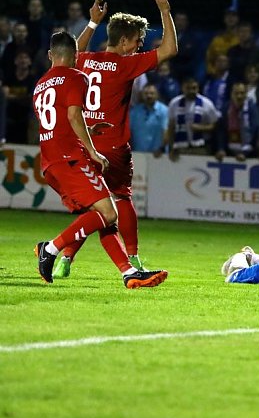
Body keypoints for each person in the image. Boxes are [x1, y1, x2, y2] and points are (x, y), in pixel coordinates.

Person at [54, 0, 178, 278]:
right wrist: (165, 10)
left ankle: (65, 258)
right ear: (123, 41)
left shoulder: (85, 60)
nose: (138, 46)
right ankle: (133, 260)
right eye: (137, 41)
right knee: (121, 199)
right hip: (113, 147)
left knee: (94, 205)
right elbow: (170, 49)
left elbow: (73, 52)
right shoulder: (125, 64)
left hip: (84, 144)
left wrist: (93, 22)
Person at [32, 31, 167, 288]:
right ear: (75, 55)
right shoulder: (76, 76)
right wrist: (92, 150)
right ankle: (50, 248)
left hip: (50, 162)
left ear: (50, 55)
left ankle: (128, 274)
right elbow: (73, 115)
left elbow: (58, 122)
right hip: (70, 159)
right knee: (108, 211)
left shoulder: (40, 85)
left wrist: (87, 131)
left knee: (101, 217)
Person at [167, 77, 220, 159]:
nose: (191, 91)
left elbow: (215, 125)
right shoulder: (174, 103)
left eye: (194, 88)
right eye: (188, 88)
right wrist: (171, 147)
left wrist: (201, 127)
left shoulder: (207, 103)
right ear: (183, 88)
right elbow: (171, 127)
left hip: (201, 147)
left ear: (198, 88)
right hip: (180, 147)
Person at [214, 82, 259, 161]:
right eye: (236, 93)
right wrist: (221, 149)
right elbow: (221, 131)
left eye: (242, 93)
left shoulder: (252, 108)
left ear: (246, 94)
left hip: (249, 153)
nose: (239, 96)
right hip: (229, 152)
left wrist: (245, 153)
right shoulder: (226, 108)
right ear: (231, 94)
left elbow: (255, 131)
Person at [129, 83, 169, 154]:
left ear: (157, 95)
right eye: (146, 93)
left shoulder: (164, 110)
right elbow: (128, 132)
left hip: (158, 154)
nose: (149, 96)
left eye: (152, 93)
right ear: (142, 95)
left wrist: (161, 149)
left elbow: (166, 132)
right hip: (138, 153)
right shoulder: (134, 111)